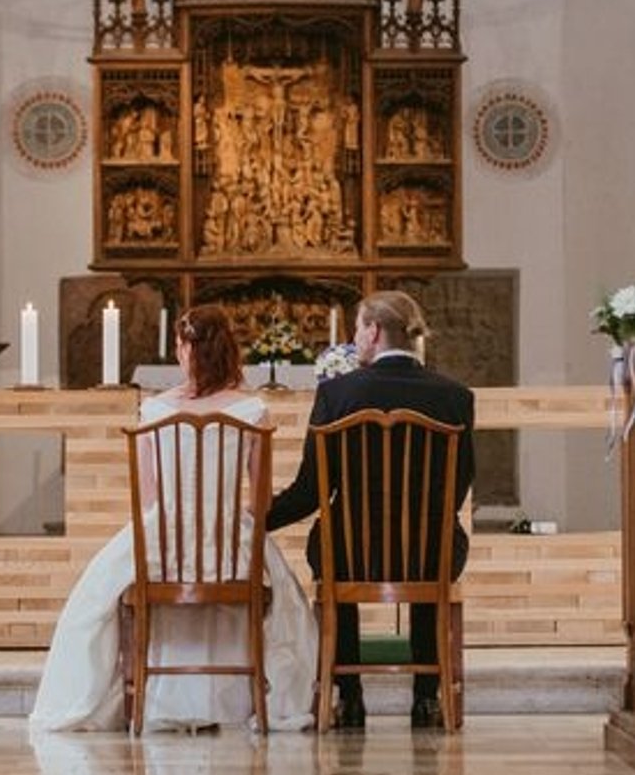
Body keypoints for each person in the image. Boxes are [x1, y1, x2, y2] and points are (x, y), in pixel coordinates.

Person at [30, 305, 319, 732]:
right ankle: (244, 701)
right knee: (286, 600)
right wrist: (222, 524)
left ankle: (144, 698)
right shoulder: (253, 410)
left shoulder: (154, 410)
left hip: (162, 547)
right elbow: (260, 503)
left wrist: (181, 534)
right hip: (229, 552)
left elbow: (151, 501)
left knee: (91, 602)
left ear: (185, 350)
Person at [265, 291, 474, 730]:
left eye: (358, 328)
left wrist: (255, 519)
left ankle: (350, 696)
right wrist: (427, 521)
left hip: (346, 551)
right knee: (431, 546)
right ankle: (426, 699)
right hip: (430, 552)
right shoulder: (455, 397)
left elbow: (308, 491)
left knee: (334, 548)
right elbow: (460, 483)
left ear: (374, 332)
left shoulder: (336, 395)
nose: (355, 337)